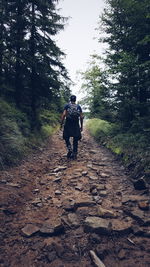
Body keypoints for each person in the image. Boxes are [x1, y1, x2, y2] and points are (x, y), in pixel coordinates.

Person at [60, 95, 83, 159]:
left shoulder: (67, 105)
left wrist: (61, 124)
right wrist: (81, 126)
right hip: (75, 124)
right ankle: (75, 153)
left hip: (68, 123)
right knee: (75, 138)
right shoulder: (78, 106)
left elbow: (64, 114)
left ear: (70, 99)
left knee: (66, 137)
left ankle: (69, 148)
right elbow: (81, 117)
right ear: (75, 100)